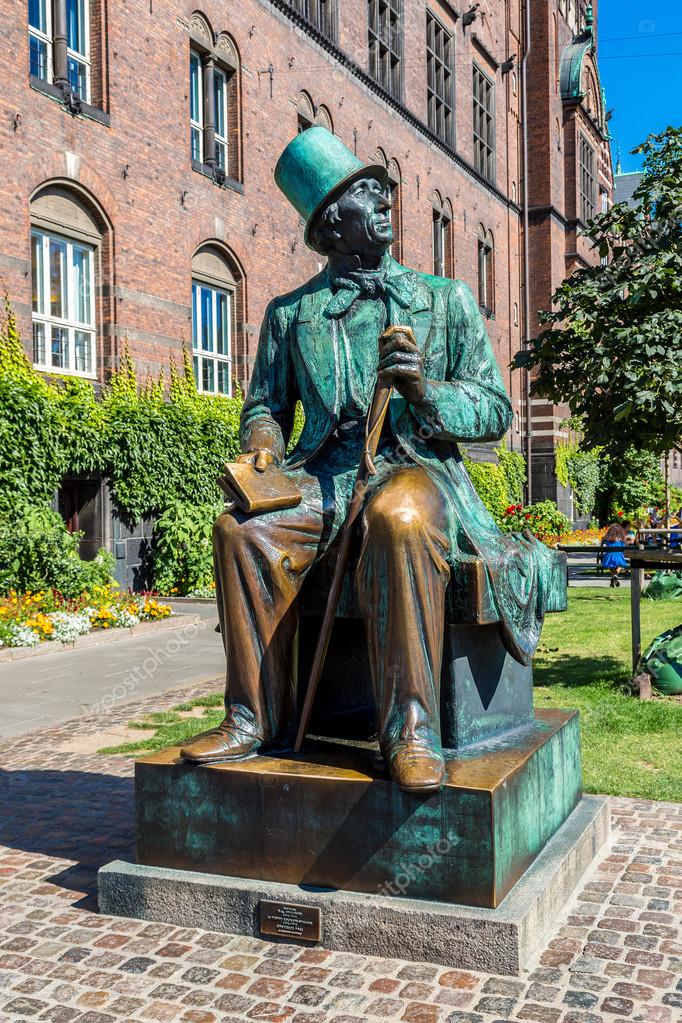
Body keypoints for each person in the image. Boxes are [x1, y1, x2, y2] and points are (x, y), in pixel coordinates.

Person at [179, 127, 565, 792]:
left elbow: (495, 408)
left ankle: (410, 729)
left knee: (403, 514)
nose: (384, 200)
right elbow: (263, 406)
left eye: (382, 189)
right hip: (320, 480)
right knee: (238, 531)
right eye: (365, 192)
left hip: (418, 469)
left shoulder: (444, 301)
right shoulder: (290, 315)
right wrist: (265, 446)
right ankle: (253, 717)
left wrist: (425, 391)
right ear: (331, 224)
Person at [602, 522, 628, 587]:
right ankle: (615, 575)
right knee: (620, 565)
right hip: (618, 557)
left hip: (609, 557)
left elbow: (603, 540)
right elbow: (624, 548)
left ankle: (613, 576)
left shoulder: (607, 540)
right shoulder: (621, 540)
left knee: (610, 565)